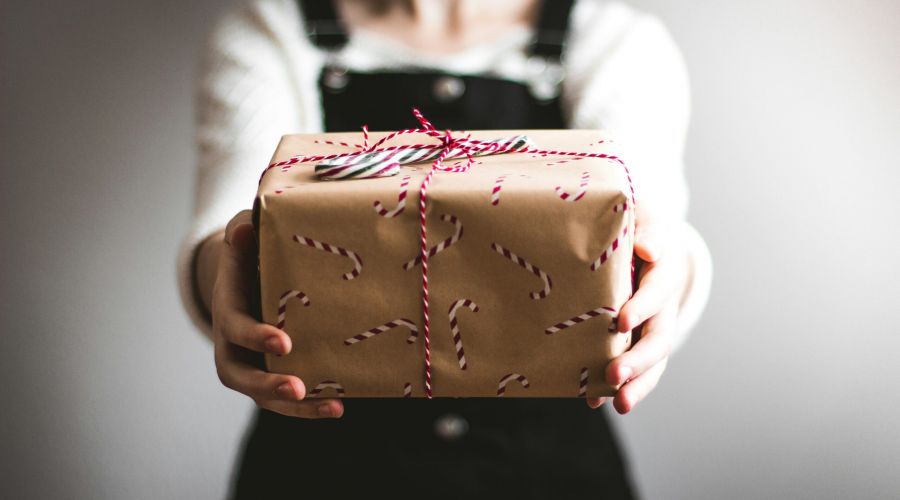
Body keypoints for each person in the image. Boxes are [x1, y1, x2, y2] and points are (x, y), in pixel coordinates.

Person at [177, 0, 712, 497]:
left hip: (551, 470)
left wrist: (669, 273)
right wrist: (226, 279)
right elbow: (231, 224)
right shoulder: (272, 30)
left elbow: (651, 219)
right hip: (321, 468)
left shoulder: (613, 40)